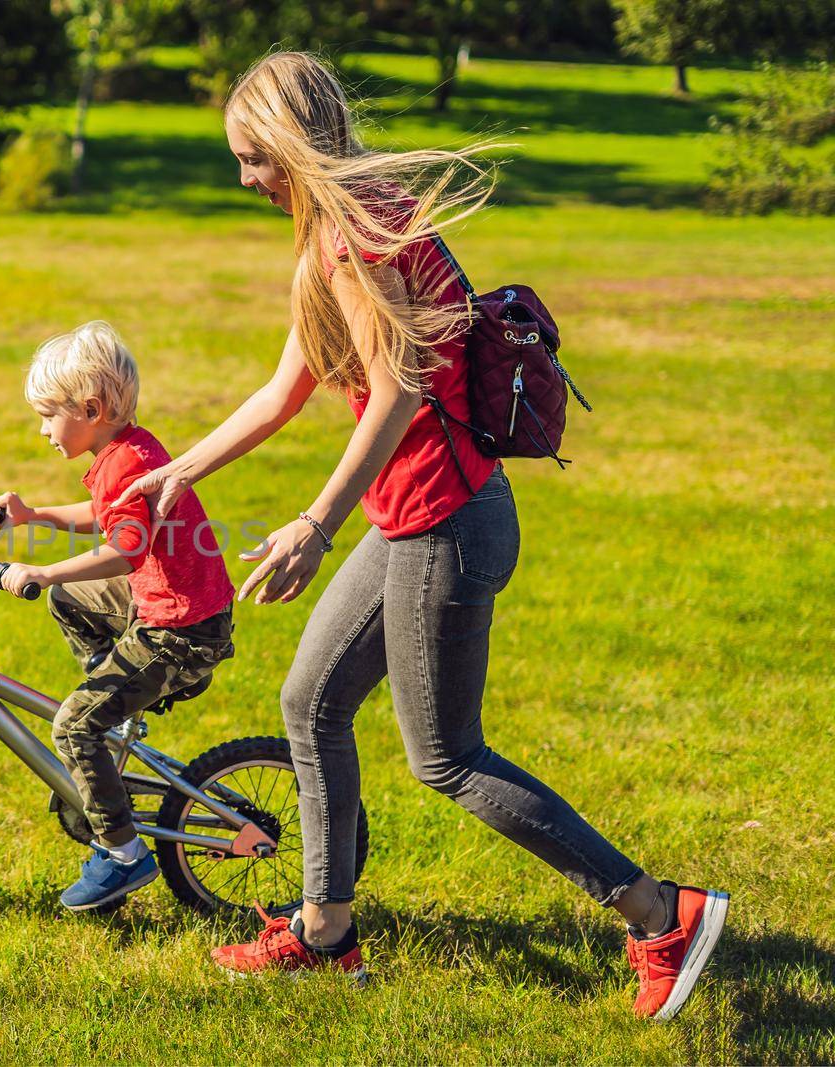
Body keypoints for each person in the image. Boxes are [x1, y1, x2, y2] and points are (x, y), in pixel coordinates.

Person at [109, 53, 727, 1019]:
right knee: (311, 699)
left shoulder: (353, 236)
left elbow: (397, 391)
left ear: (287, 143)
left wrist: (314, 522)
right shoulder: (359, 215)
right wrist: (183, 466)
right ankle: (326, 931)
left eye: (251, 159)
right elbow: (288, 389)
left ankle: (660, 912)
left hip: (443, 525)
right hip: (420, 519)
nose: (245, 180)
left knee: (449, 758)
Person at [0, 320, 237, 912]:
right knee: (69, 600)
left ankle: (123, 854)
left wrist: (43, 570)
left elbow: (125, 547)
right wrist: (34, 515)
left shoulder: (127, 463)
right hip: (168, 603)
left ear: (92, 407)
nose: (43, 429)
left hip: (179, 627)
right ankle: (117, 697)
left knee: (73, 727)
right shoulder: (123, 451)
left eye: (49, 415)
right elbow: (103, 517)